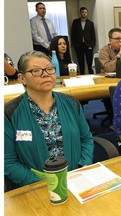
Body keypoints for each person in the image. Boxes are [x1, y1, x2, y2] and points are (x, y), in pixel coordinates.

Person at [4, 51, 94, 189]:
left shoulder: (72, 103)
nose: (45, 74)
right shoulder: (9, 112)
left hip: (76, 179)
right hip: (35, 186)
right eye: (36, 71)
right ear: (22, 78)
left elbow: (86, 139)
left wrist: (83, 166)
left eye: (49, 69)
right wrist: (40, 184)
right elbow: (8, 161)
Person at [98, 28, 121, 126]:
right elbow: (108, 68)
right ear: (110, 40)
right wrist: (119, 55)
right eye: (117, 39)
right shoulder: (104, 51)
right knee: (112, 91)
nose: (120, 41)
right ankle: (112, 117)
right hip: (108, 81)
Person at [71, 7, 96, 74]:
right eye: (83, 12)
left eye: (85, 12)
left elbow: (93, 34)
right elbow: (72, 33)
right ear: (80, 13)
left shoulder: (90, 23)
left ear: (87, 13)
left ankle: (91, 75)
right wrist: (73, 44)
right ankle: (82, 75)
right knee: (80, 62)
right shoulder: (75, 22)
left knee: (90, 63)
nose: (84, 13)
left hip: (88, 45)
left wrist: (92, 44)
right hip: (79, 45)